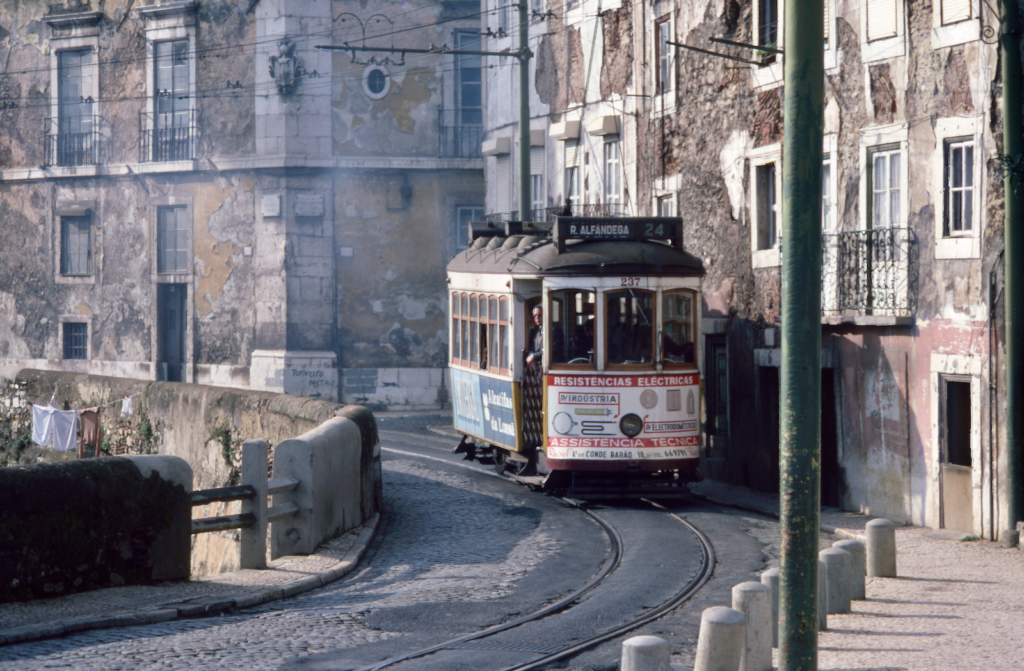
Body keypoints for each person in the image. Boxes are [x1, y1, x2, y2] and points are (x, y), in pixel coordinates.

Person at [526, 305, 565, 369]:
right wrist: (531, 355)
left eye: (540, 315)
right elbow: (533, 348)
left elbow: (551, 349)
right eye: (535, 315)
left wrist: (533, 356)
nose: (537, 317)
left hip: (553, 368)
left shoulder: (554, 329)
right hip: (540, 369)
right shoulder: (538, 331)